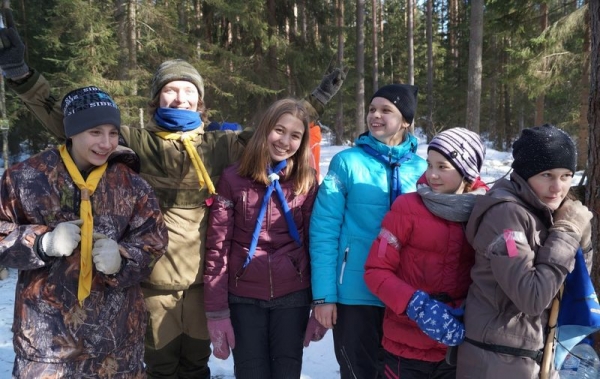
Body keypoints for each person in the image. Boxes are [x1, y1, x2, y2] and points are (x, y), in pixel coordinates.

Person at [0, 15, 346, 378]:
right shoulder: (135, 141)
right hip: (150, 282)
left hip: (203, 283)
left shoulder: (220, 145)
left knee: (196, 365)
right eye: (171, 90)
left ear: (200, 103)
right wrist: (24, 78)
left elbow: (275, 131)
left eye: (189, 92)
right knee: (160, 367)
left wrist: (316, 101)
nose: (180, 98)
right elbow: (71, 124)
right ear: (156, 97)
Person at [0, 86, 168, 378]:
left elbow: (153, 243)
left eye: (113, 133)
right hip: (46, 345)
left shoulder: (131, 184)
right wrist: (41, 243)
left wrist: (123, 259)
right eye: (95, 132)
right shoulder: (26, 177)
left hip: (115, 346)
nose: (106, 143)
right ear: (72, 131)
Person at [455, 124, 594, 379]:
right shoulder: (506, 214)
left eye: (566, 176)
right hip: (495, 361)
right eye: (547, 175)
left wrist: (582, 245)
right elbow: (531, 298)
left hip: (533, 355)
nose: (557, 187)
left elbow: (570, 285)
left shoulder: (546, 211)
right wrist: (566, 234)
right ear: (524, 174)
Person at [309, 84, 428, 378]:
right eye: (372, 109)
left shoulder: (423, 170)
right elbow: (324, 230)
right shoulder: (347, 162)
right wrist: (324, 296)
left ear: (406, 121)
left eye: (386, 110)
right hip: (354, 293)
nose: (375, 115)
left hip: (404, 294)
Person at [204, 98, 324, 378]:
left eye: (295, 135)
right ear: (265, 129)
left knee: (287, 371)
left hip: (292, 296)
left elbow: (315, 244)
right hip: (244, 297)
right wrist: (216, 311)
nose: (285, 141)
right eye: (279, 130)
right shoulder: (233, 179)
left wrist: (320, 302)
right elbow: (217, 247)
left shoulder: (305, 179)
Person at [364, 127, 488, 379]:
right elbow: (376, 271)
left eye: (443, 167)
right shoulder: (407, 207)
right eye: (430, 164)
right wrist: (416, 305)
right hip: (405, 349)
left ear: (467, 170)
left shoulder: (485, 212)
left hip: (457, 350)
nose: (432, 174)